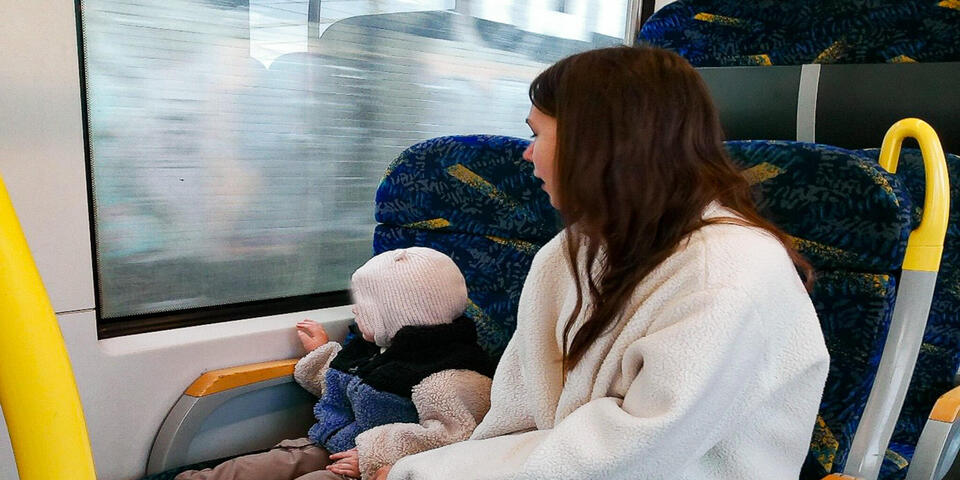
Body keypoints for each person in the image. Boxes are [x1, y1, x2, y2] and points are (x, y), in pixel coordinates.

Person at [380, 46, 830, 479]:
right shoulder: (571, 251)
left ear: (596, 143)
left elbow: (633, 454)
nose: (526, 153)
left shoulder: (727, 275)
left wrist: (430, 472)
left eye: (539, 134)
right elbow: (519, 410)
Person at [175, 247, 494, 480]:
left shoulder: (450, 375)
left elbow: (455, 438)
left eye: (365, 307)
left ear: (400, 314)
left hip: (372, 468)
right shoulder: (378, 348)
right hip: (330, 443)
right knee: (247, 470)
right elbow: (349, 387)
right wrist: (321, 354)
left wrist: (375, 455)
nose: (356, 312)